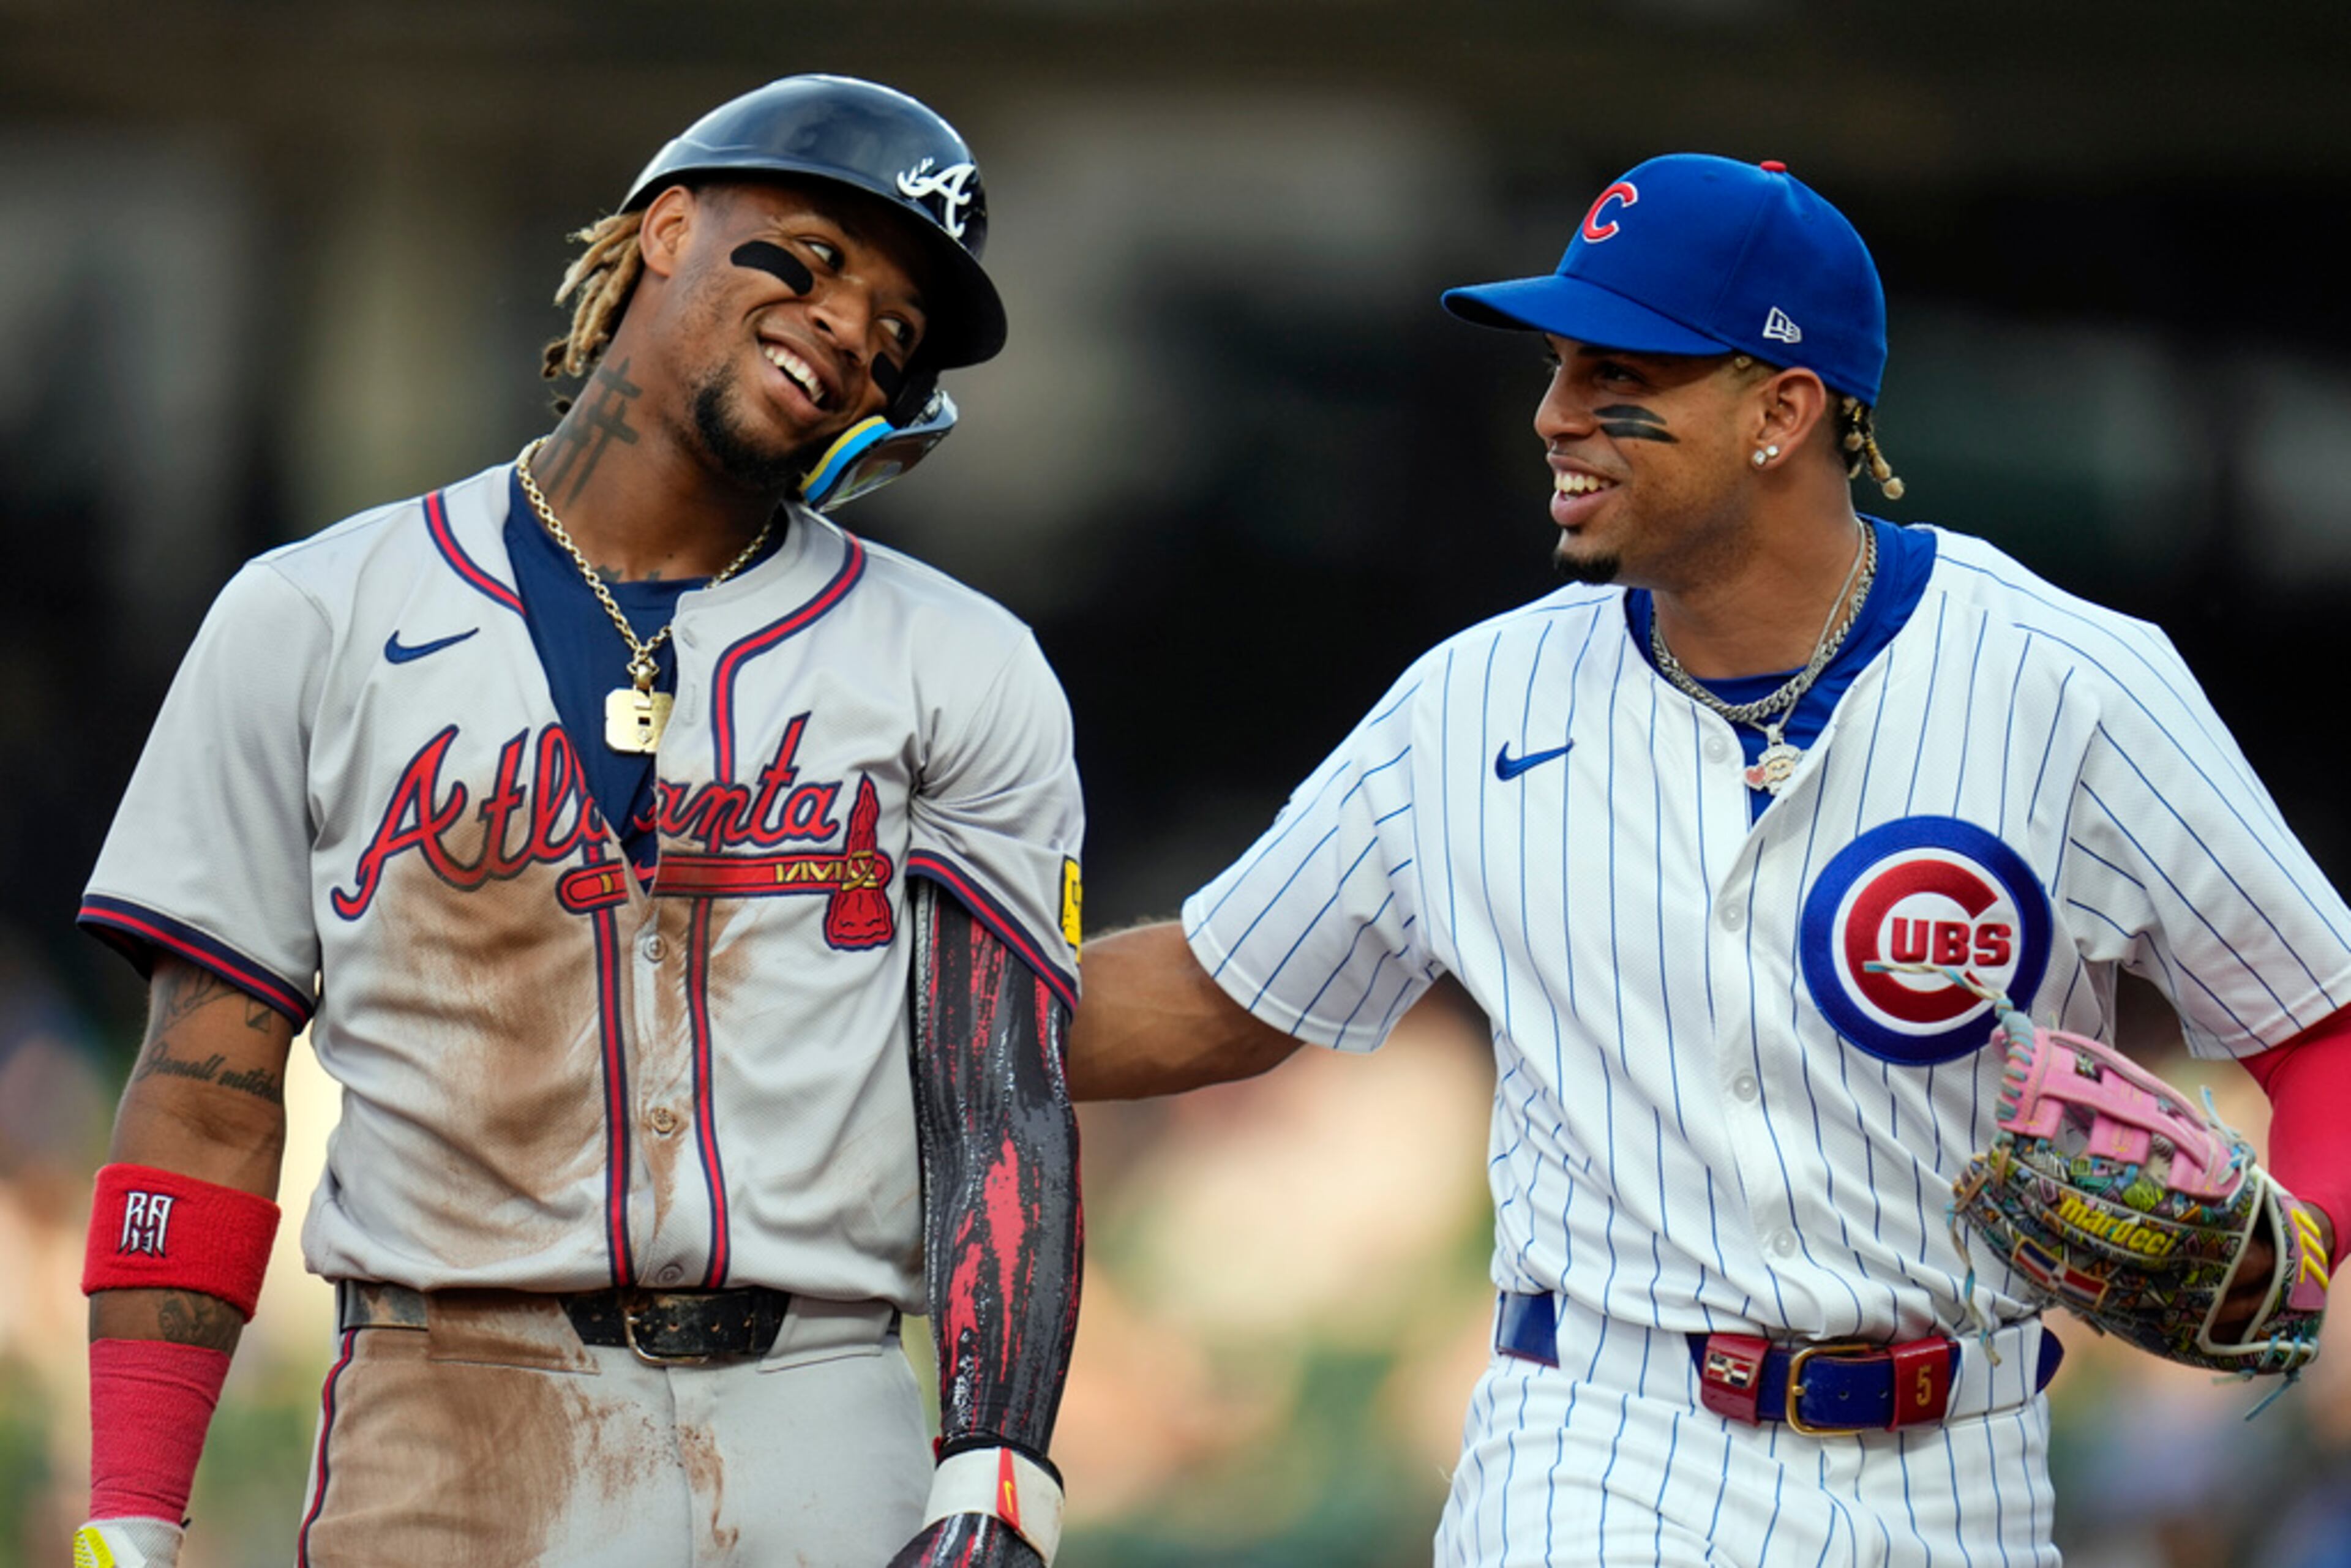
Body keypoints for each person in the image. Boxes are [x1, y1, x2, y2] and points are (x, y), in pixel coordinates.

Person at [1067, 152, 2351, 1564]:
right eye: (1555, 367)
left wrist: (2308, 1225)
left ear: (1781, 413)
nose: (1555, 415)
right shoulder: (1468, 704)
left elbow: (2322, 1022)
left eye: (1616, 373)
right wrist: (900, 1012)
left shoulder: (2070, 683)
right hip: (1602, 1441)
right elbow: (1209, 996)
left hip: (1965, 1466)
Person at [73, 75, 1082, 1568]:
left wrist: (997, 1478)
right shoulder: (313, 614)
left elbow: (1000, 1092)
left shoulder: (961, 662)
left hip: (824, 1405)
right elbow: (206, 1092)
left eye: (897, 327)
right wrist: (132, 1515)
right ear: (666, 230)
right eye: (814, 258)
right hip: (450, 1404)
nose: (851, 327)